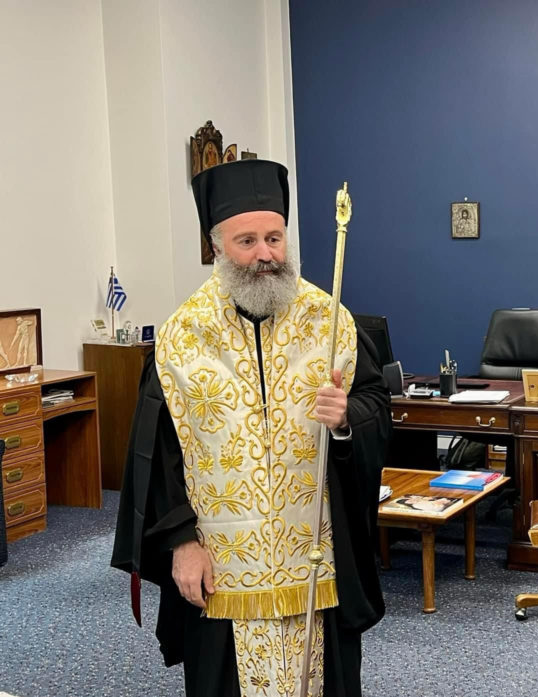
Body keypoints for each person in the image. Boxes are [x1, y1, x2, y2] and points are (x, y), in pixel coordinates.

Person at [111, 159, 392, 697]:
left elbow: (375, 403)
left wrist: (346, 419)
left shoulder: (329, 320)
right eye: (247, 241)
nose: (266, 254)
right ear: (217, 247)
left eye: (274, 237)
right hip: (222, 567)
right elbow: (159, 456)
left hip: (315, 560)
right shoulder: (181, 337)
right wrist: (181, 543)